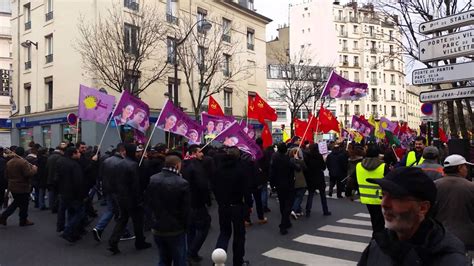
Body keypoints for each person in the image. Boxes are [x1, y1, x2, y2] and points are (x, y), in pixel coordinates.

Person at [358, 167, 469, 265]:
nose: (384, 204)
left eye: (396, 197)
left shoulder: (450, 258)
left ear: (422, 208)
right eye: (383, 195)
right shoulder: (378, 246)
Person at [146, 155, 190, 266]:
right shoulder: (182, 183)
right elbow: (185, 209)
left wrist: (151, 221)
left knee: (163, 259)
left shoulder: (152, 179)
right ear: (177, 165)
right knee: (180, 260)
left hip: (157, 226)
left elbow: (148, 202)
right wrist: (186, 226)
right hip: (175, 229)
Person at [108, 143, 151, 254]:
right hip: (132, 197)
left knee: (123, 219)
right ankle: (140, 242)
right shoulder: (133, 165)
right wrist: (139, 199)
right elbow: (135, 185)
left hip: (121, 196)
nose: (139, 153)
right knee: (138, 221)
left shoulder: (120, 163)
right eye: (137, 152)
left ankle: (113, 241)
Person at [211, 147, 249, 265]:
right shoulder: (241, 169)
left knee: (224, 233)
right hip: (237, 205)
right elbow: (246, 189)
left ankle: (217, 260)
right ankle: (238, 261)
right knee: (239, 235)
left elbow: (214, 187)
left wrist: (219, 200)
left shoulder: (218, 170)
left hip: (223, 205)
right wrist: (248, 205)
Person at [434, 154, 474, 254]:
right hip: (466, 240)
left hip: (439, 237)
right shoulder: (471, 187)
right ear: (460, 168)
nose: (467, 169)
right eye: (465, 166)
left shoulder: (434, 186)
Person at [181, 145, 211, 263]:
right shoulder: (196, 166)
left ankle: (192, 253)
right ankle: (192, 252)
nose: (202, 154)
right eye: (199, 152)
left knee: (191, 229)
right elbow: (202, 185)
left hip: (187, 202)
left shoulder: (184, 164)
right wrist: (207, 200)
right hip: (197, 202)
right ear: (194, 153)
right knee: (204, 226)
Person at [92, 143, 125, 242]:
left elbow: (101, 175)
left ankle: (98, 228)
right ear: (122, 151)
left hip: (108, 189)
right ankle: (123, 232)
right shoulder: (121, 162)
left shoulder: (107, 161)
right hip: (116, 191)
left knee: (111, 210)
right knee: (121, 212)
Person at [351, 144, 388, 233]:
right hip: (380, 197)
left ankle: (377, 236)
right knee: (379, 220)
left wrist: (350, 192)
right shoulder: (383, 166)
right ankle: (377, 238)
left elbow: (352, 180)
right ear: (378, 154)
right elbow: (389, 181)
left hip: (366, 198)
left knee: (374, 218)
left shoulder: (359, 165)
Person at [56, 147, 87, 242]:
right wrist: (82, 195)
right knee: (79, 213)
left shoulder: (60, 162)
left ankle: (71, 232)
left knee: (71, 211)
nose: (79, 154)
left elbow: (57, 178)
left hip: (64, 192)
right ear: (73, 154)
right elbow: (78, 182)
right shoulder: (74, 165)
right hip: (73, 194)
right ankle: (68, 230)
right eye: (78, 152)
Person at [0, 147, 37, 226]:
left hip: (12, 185)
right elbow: (27, 174)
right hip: (22, 186)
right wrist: (34, 169)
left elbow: (5, 176)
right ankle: (5, 216)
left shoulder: (9, 162)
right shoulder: (23, 162)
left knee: (20, 203)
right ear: (23, 153)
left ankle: (22, 219)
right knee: (21, 203)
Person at [270, 143, 298, 235]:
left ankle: (286, 222)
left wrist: (272, 184)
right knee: (288, 205)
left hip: (279, 185)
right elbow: (297, 168)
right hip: (289, 185)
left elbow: (272, 173)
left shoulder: (275, 159)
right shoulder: (288, 160)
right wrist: (296, 160)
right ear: (286, 150)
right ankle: (283, 224)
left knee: (282, 204)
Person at [303, 144, 331, 217]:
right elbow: (323, 167)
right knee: (322, 195)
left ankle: (308, 211)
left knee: (310, 195)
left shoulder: (307, 156)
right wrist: (324, 161)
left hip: (310, 177)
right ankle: (325, 210)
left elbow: (305, 168)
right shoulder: (319, 156)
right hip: (319, 177)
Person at [289, 148, 307, 219]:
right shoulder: (300, 162)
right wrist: (298, 160)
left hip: (292, 182)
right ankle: (294, 210)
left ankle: (298, 210)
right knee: (299, 197)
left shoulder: (288, 161)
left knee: (296, 196)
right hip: (300, 181)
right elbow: (305, 168)